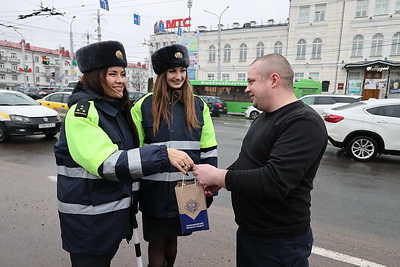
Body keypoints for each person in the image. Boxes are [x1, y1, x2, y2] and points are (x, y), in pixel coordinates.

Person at [54, 40, 193, 267]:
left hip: (108, 219)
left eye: (122, 73)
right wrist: (162, 154)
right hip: (88, 222)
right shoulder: (82, 113)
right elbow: (108, 163)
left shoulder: (114, 110)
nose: (121, 80)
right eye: (112, 74)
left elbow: (131, 155)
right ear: (95, 76)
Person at [193, 53, 328, 266]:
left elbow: (275, 181)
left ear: (273, 80)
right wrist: (218, 183)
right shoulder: (264, 116)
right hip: (253, 234)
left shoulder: (303, 122)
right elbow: (247, 160)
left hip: (279, 242)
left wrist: (220, 177)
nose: (246, 88)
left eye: (251, 81)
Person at [131, 44, 218, 267]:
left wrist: (209, 186)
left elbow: (208, 149)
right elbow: (134, 153)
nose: (178, 76)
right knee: (157, 242)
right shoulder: (143, 106)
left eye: (182, 70)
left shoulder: (199, 105)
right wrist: (133, 194)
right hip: (154, 192)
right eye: (172, 71)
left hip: (187, 190)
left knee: (173, 239)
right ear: (162, 74)